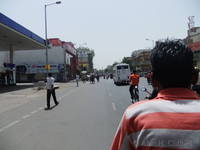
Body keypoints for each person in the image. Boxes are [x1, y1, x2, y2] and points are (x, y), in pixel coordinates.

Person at [110, 40, 200, 150]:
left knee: (131, 90)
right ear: (195, 77)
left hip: (135, 86)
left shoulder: (134, 115)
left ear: (153, 80)